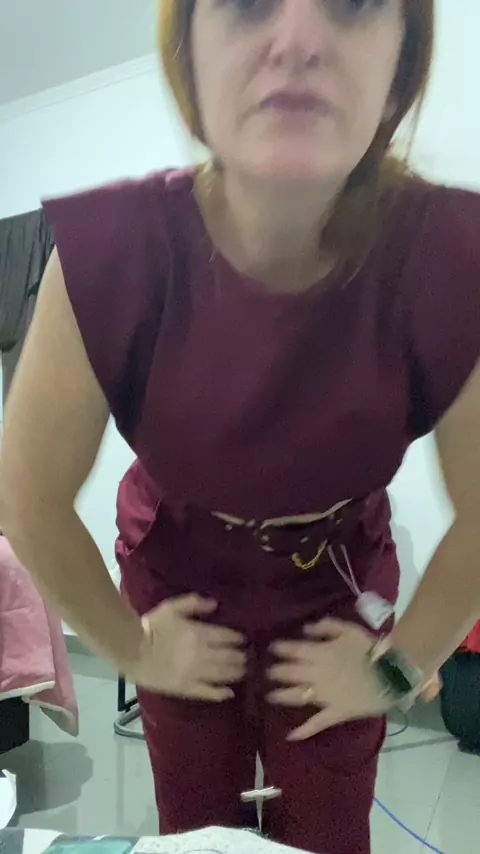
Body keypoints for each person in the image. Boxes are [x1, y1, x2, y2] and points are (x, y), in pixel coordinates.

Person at [2, 0, 480, 852]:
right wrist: (129, 648)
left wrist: (400, 667)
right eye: (249, 2)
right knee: (196, 827)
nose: (297, 40)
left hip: (335, 581)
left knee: (330, 825)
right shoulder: (110, 250)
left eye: (351, 3)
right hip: (179, 577)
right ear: (187, 53)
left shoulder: (454, 254)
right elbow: (26, 495)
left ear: (403, 59)